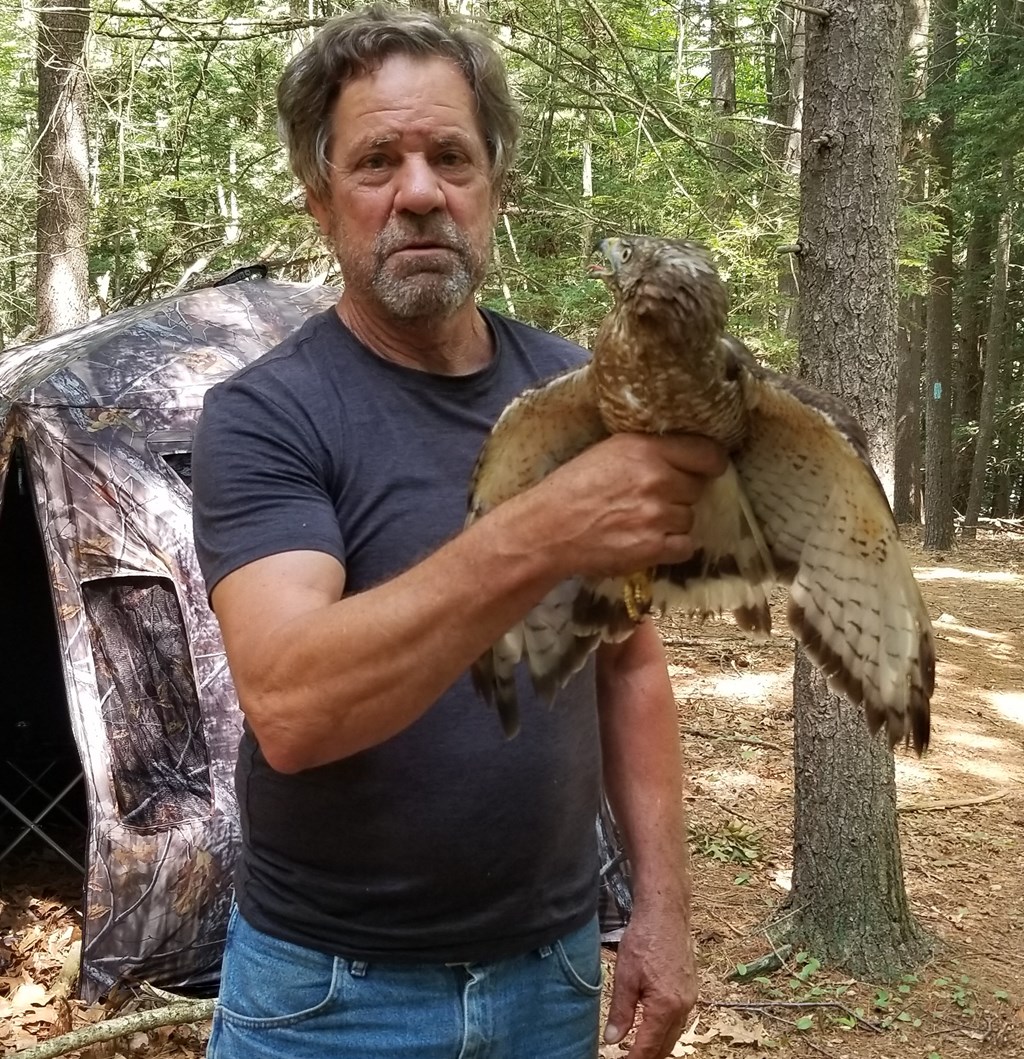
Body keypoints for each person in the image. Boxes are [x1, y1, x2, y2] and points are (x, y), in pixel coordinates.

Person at [192, 6, 725, 1058]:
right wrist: (544, 527)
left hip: (553, 973)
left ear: (494, 188)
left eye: (451, 157)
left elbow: (628, 669)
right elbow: (293, 706)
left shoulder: (585, 393)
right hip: (325, 999)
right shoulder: (266, 413)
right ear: (320, 202)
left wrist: (661, 911)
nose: (420, 192)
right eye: (376, 162)